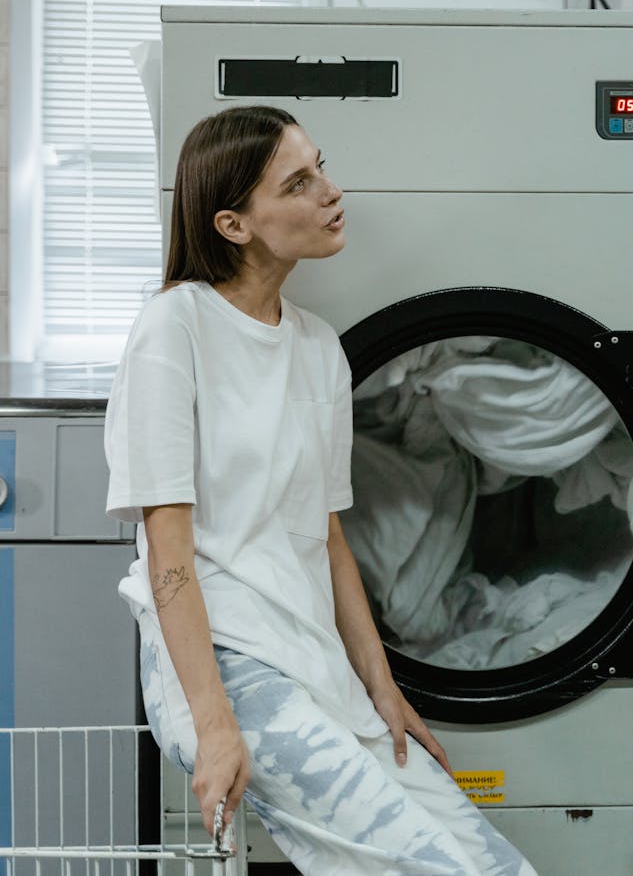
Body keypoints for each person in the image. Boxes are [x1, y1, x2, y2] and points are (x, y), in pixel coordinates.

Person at [105, 105, 539, 876]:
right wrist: (214, 723)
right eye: (299, 183)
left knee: (497, 866)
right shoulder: (175, 328)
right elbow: (166, 539)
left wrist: (383, 688)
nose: (331, 192)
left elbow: (326, 536)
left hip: (314, 661)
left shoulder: (317, 348)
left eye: (321, 167)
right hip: (227, 664)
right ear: (234, 224)